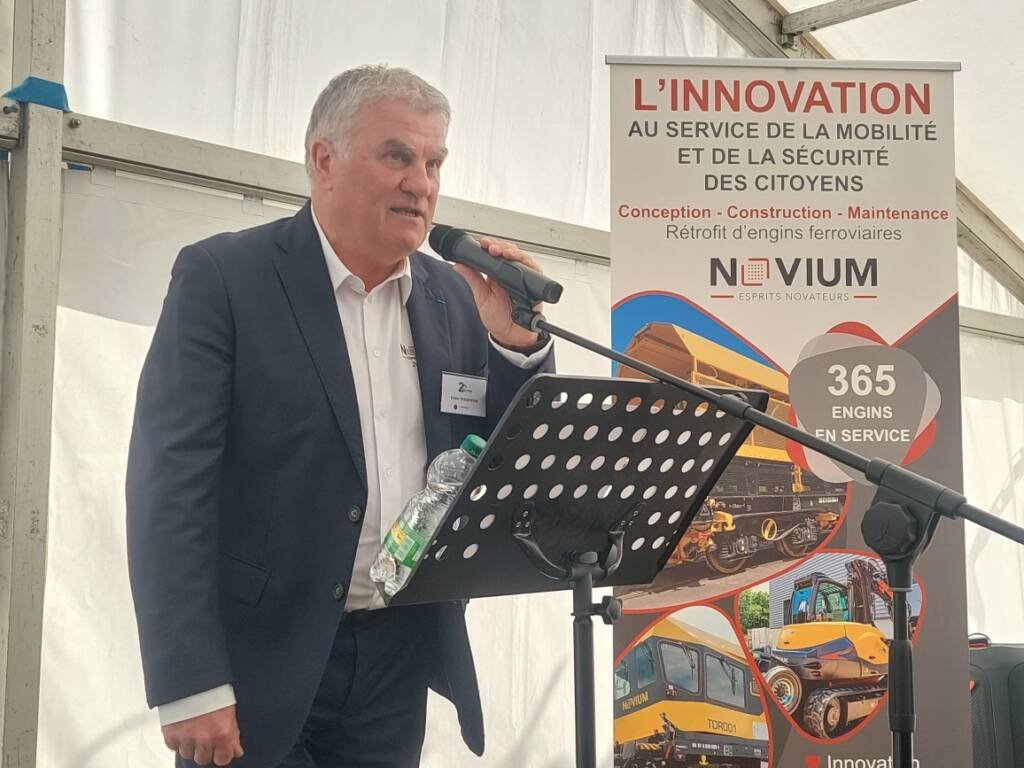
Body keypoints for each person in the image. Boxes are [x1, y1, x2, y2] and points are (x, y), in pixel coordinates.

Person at [127, 65, 554, 768]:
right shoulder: (225, 278)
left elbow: (501, 459)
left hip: (396, 655)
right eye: (398, 156)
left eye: (434, 163)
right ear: (324, 160)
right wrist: (189, 680)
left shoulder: (453, 297)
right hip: (260, 660)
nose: (421, 183)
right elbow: (168, 488)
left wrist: (516, 346)